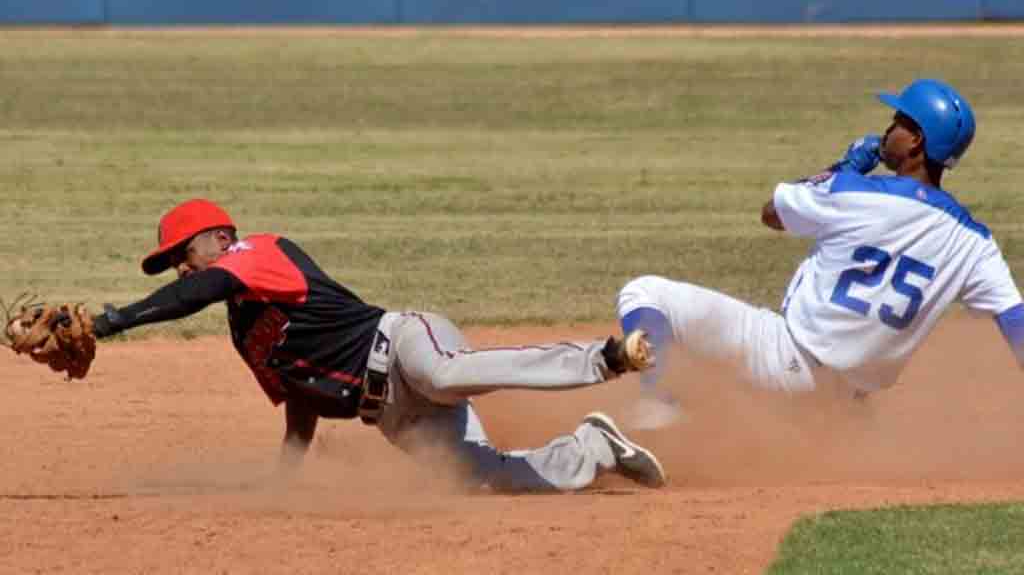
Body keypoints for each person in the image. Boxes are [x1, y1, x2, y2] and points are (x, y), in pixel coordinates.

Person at [89, 198, 667, 492]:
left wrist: (108, 322)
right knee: (480, 478)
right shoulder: (245, 329)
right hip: (392, 415)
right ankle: (594, 448)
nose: (179, 269)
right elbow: (302, 396)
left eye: (180, 255)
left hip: (404, 344)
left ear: (219, 238)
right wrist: (287, 477)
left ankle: (605, 357)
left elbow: (201, 290)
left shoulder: (259, 252)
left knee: (446, 375)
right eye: (170, 264)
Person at [616, 78, 1024, 427]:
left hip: (784, 360)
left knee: (645, 293)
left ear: (916, 140)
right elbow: (1016, 323)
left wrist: (844, 166)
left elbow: (772, 214)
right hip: (842, 400)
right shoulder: (975, 242)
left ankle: (658, 414)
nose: (888, 129)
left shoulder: (855, 191)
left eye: (898, 122)